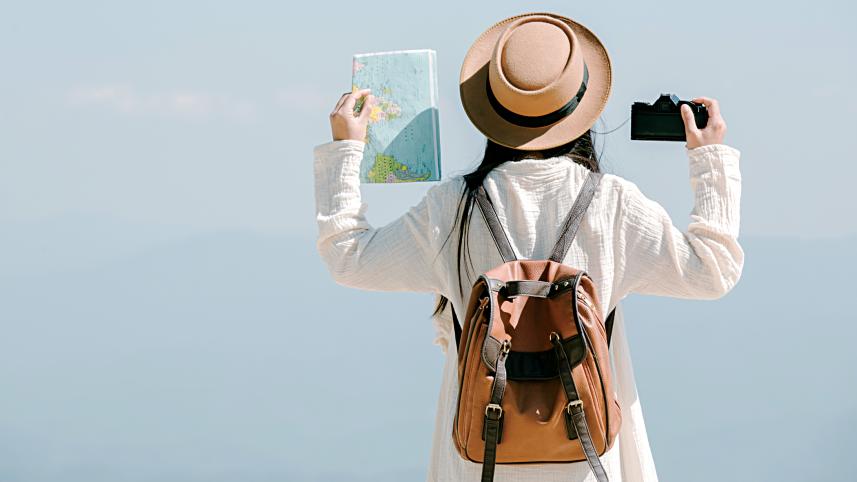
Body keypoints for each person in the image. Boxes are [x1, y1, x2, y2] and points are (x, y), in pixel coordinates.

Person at [313, 12, 742, 482]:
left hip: (480, 463)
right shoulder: (612, 204)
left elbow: (348, 257)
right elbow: (713, 271)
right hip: (590, 462)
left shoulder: (454, 207)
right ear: (580, 107)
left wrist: (346, 151)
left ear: (492, 109)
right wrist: (710, 159)